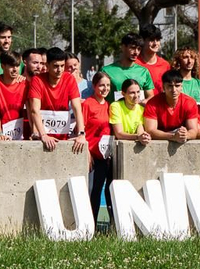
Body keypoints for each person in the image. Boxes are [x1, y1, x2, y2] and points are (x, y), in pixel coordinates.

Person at [26, 48, 88, 153]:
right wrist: (43, 135)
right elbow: (34, 110)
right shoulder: (37, 80)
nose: (59, 70)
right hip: (43, 137)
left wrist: (81, 134)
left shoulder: (69, 79)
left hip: (63, 136)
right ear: (47, 65)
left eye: (62, 66)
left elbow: (77, 108)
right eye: (55, 66)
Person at [80, 72, 115, 232]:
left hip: (107, 155)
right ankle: (91, 226)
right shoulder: (88, 104)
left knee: (110, 188)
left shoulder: (110, 105)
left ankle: (112, 223)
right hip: (94, 155)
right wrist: (86, 152)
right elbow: (81, 129)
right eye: (101, 85)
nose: (105, 88)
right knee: (95, 189)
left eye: (107, 85)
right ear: (94, 86)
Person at [143, 69, 199, 143]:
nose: (174, 90)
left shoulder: (190, 103)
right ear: (163, 87)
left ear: (182, 86)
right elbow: (150, 131)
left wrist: (185, 135)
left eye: (177, 86)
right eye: (170, 86)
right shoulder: (152, 103)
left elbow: (194, 131)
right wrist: (173, 136)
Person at [0, 51, 28, 141]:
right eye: (11, 66)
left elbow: (32, 110)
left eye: (17, 65)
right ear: (2, 66)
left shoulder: (25, 83)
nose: (15, 69)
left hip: (21, 135)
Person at [100, 33, 153, 100]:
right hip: (113, 110)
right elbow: (98, 97)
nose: (136, 52)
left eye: (139, 49)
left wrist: (145, 101)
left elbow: (150, 97)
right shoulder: (106, 71)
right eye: (132, 48)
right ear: (123, 47)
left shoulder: (144, 72)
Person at [109, 79, 150, 146]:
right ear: (123, 94)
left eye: (138, 92)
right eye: (132, 93)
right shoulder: (115, 106)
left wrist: (143, 137)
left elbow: (140, 130)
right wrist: (138, 137)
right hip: (118, 147)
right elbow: (119, 134)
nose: (136, 95)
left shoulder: (141, 109)